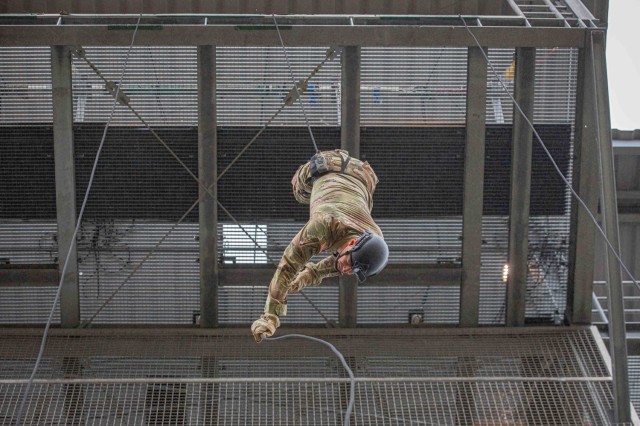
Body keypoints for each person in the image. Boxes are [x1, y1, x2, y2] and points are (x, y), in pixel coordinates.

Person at [251, 149, 389, 342]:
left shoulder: (374, 239)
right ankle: (314, 177)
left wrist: (306, 278)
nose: (346, 270)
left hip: (362, 176)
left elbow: (332, 266)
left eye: (353, 270)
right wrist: (270, 316)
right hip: (328, 165)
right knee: (299, 191)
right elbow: (289, 265)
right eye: (351, 264)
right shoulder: (323, 225)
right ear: (351, 243)